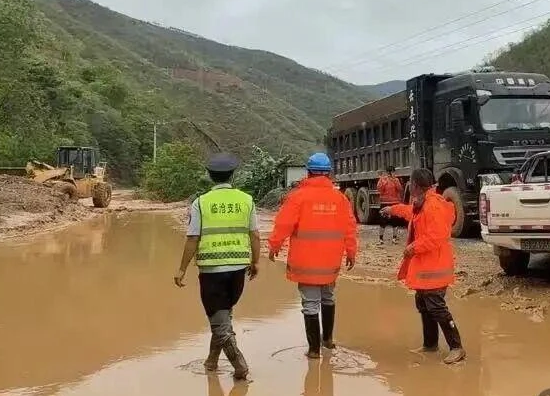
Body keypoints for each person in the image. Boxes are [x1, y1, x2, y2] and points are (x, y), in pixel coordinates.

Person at [173, 153, 261, 379]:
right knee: (223, 316)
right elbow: (255, 235)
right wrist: (255, 262)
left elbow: (193, 238)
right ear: (233, 175)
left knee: (219, 320)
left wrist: (182, 269)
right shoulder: (247, 200)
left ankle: (239, 365)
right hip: (238, 269)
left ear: (210, 176)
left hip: (212, 270)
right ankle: (212, 361)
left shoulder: (201, 203)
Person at [268, 152, 358, 358]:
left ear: (308, 173)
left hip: (305, 261)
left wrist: (274, 245)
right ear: (329, 174)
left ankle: (314, 350)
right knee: (328, 297)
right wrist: (351, 251)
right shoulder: (340, 198)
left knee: (310, 303)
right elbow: (350, 227)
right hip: (331, 261)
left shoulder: (297, 197)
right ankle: (328, 341)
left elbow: (283, 224)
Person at [381, 168, 466, 364]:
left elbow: (436, 236)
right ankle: (430, 345)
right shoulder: (422, 202)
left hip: (435, 268)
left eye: (411, 184)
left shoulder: (433, 206)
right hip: (426, 268)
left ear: (416, 186)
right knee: (424, 305)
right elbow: (410, 212)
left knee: (436, 307)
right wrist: (392, 209)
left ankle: (457, 347)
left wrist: (413, 247)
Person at [376, 166, 404, 242]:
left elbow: (400, 189)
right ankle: (381, 238)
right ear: (388, 172)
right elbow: (379, 189)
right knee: (383, 221)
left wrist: (395, 180)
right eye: (392, 172)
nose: (392, 173)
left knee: (395, 221)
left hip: (394, 203)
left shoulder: (396, 180)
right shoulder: (382, 179)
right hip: (384, 203)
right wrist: (385, 181)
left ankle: (394, 238)